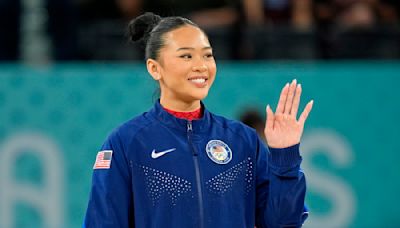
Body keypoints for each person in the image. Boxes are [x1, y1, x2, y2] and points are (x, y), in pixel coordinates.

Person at [83, 12, 313, 227]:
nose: (201, 66)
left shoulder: (243, 140)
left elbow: (283, 223)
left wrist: (285, 155)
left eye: (208, 55)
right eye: (186, 56)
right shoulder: (127, 142)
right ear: (155, 69)